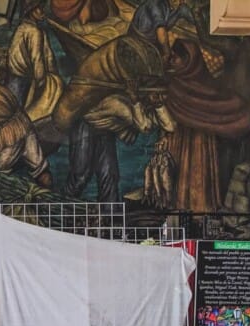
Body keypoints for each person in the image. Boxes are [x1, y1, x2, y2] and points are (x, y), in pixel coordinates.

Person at [53, 35, 175, 202]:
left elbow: (170, 127)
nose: (158, 96)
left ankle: (110, 217)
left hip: (104, 131)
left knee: (110, 176)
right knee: (80, 174)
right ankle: (61, 206)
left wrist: (159, 105)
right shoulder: (121, 103)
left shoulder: (140, 103)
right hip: (85, 128)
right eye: (155, 93)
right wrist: (138, 101)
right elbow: (145, 126)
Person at [7, 0, 62, 122]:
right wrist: (42, 82)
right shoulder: (35, 32)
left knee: (11, 113)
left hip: (14, 78)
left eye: (42, 8)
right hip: (23, 81)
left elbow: (48, 57)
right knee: (19, 118)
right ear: (30, 11)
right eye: (38, 9)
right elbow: (37, 59)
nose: (42, 12)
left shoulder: (23, 28)